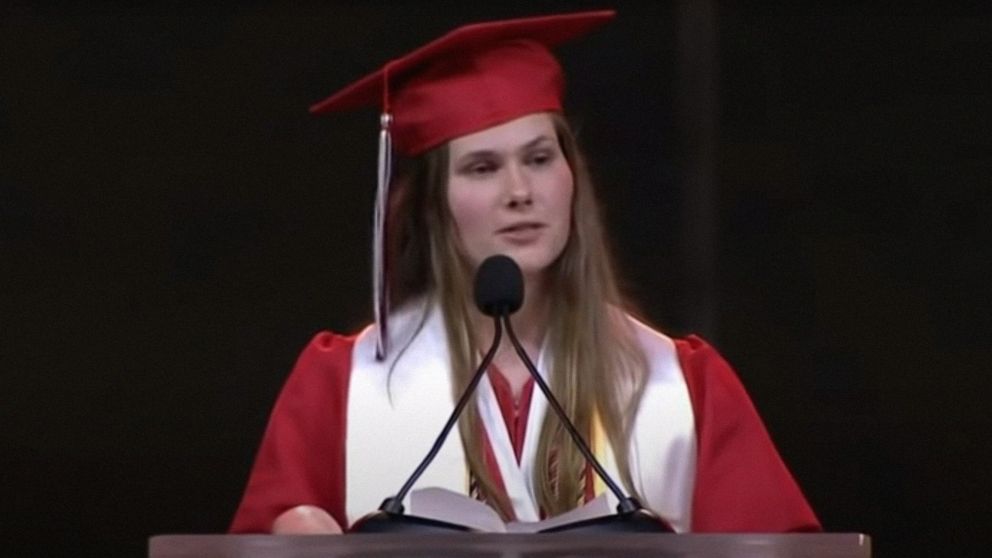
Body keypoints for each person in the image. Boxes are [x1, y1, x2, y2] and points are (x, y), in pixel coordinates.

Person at [229, 10, 820, 535]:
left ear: (572, 177)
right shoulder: (341, 386)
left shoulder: (682, 385)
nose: (520, 192)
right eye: (483, 168)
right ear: (433, 207)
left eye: (539, 159)